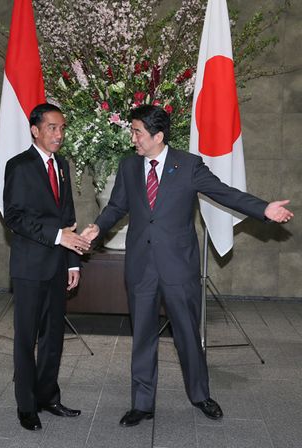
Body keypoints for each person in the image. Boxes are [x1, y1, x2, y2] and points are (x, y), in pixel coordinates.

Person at [81, 105, 293, 427]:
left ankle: (200, 395)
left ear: (158, 136)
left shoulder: (189, 165)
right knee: (142, 335)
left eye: (137, 132)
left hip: (179, 266)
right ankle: (142, 403)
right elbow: (116, 206)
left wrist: (264, 209)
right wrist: (97, 228)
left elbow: (225, 193)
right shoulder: (128, 166)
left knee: (187, 335)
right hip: (141, 266)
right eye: (133, 131)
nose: (133, 138)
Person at [3, 103, 91, 431]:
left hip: (57, 267)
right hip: (29, 268)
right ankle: (26, 406)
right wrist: (57, 237)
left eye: (62, 128)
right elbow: (14, 217)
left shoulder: (62, 165)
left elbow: (67, 218)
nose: (59, 134)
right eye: (52, 128)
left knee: (53, 337)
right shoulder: (19, 166)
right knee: (26, 339)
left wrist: (73, 264)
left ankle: (47, 396)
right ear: (35, 130)